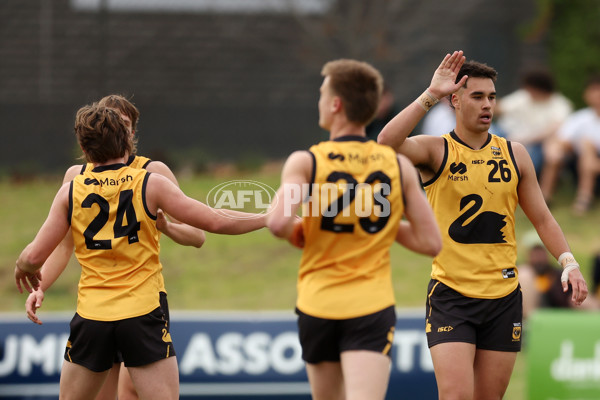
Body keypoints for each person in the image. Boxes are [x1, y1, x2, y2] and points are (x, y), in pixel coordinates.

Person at [15, 104, 267, 400]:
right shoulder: (148, 183)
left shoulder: (71, 191)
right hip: (141, 313)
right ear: (127, 140)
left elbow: (34, 257)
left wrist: (23, 267)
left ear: (84, 147)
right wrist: (267, 217)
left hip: (93, 317)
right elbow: (213, 220)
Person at [377, 51, 588, 400]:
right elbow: (386, 143)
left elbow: (543, 218)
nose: (487, 104)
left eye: (492, 96)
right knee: (457, 397)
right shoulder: (435, 150)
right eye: (477, 96)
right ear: (454, 102)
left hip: (504, 298)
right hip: (452, 297)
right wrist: (430, 94)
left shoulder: (514, 154)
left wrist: (569, 262)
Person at [266, 59, 442, 400]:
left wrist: (296, 228)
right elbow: (430, 241)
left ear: (335, 105)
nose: (319, 100)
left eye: (322, 94)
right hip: (370, 306)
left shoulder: (307, 161)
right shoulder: (398, 165)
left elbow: (276, 221)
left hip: (318, 304)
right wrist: (384, 224)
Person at [496, 67, 573, 177]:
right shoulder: (523, 97)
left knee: (527, 159)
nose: (528, 91)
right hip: (507, 134)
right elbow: (500, 107)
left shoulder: (560, 105)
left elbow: (555, 128)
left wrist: (524, 139)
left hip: (536, 143)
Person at [540, 75, 600, 211]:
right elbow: (562, 140)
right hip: (581, 166)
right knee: (563, 152)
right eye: (594, 90)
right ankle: (544, 198)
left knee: (587, 147)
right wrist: (554, 152)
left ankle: (584, 199)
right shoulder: (580, 118)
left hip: (590, 164)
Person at [518, 231, 573, 318]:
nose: (538, 257)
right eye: (535, 253)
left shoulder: (558, 275)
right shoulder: (523, 274)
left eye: (541, 252)